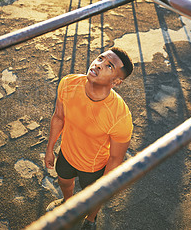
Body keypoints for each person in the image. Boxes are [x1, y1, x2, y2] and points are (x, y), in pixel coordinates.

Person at [44, 47, 134, 229]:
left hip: (94, 168)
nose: (98, 64)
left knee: (93, 198)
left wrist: (103, 187)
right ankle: (67, 205)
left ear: (116, 81)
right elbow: (59, 117)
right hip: (67, 154)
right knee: (63, 181)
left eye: (109, 66)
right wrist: (49, 149)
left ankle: (90, 220)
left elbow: (116, 158)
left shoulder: (120, 116)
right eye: (100, 58)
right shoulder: (68, 83)